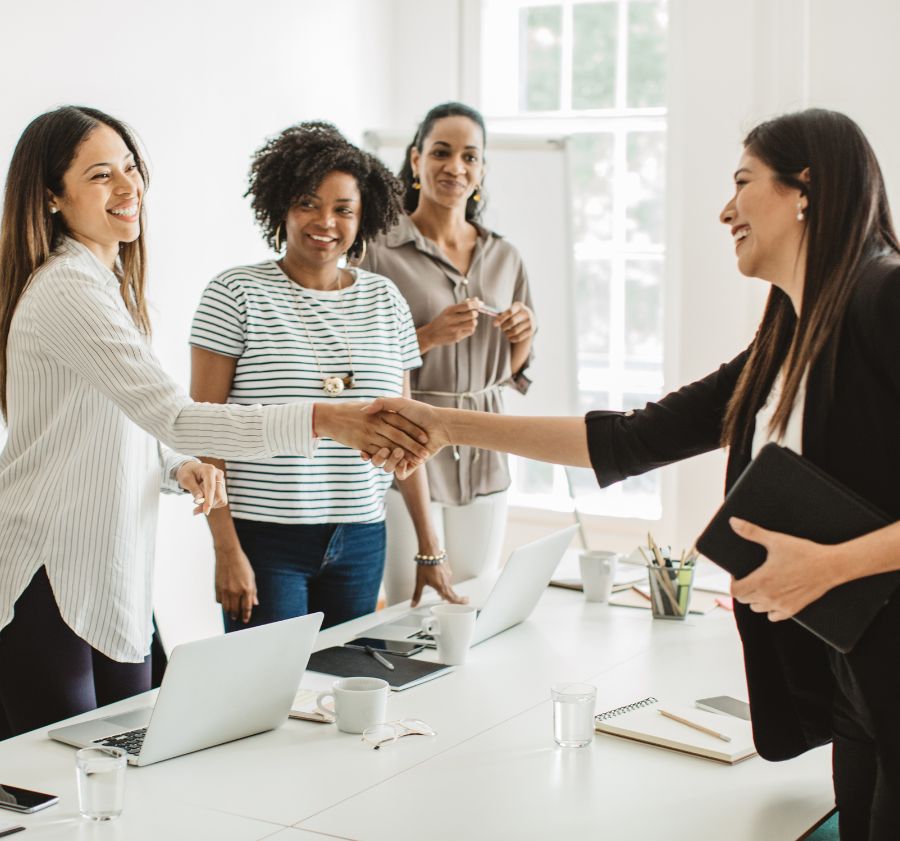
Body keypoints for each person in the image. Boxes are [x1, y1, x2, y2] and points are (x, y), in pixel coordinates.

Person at [369, 109, 900, 840]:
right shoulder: (786, 337)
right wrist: (444, 423)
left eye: (742, 182)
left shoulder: (887, 297)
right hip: (856, 680)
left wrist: (831, 565)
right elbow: (627, 439)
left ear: (804, 188)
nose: (725, 210)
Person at [0, 107, 428, 739]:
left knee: (127, 757)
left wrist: (178, 465)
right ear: (53, 197)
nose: (127, 188)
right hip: (51, 564)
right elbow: (177, 413)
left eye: (130, 168)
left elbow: (130, 425)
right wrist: (324, 419)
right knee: (65, 779)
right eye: (100, 175)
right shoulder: (69, 287)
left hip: (110, 567)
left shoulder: (107, 281)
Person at [189, 122, 461, 632]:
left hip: (361, 537)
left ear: (364, 217)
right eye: (308, 203)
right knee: (268, 696)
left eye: (343, 209)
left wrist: (429, 548)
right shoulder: (235, 293)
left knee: (345, 689)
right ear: (281, 207)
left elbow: (410, 437)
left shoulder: (385, 300)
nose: (325, 222)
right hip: (265, 540)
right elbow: (203, 433)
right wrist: (225, 549)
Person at [360, 102, 536, 605]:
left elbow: (515, 372)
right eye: (441, 152)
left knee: (477, 595)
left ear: (481, 170)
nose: (454, 167)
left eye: (469, 156)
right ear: (416, 161)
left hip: (485, 444)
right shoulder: (377, 251)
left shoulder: (505, 255)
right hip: (407, 440)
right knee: (406, 600)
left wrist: (522, 335)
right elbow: (362, 360)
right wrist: (430, 336)